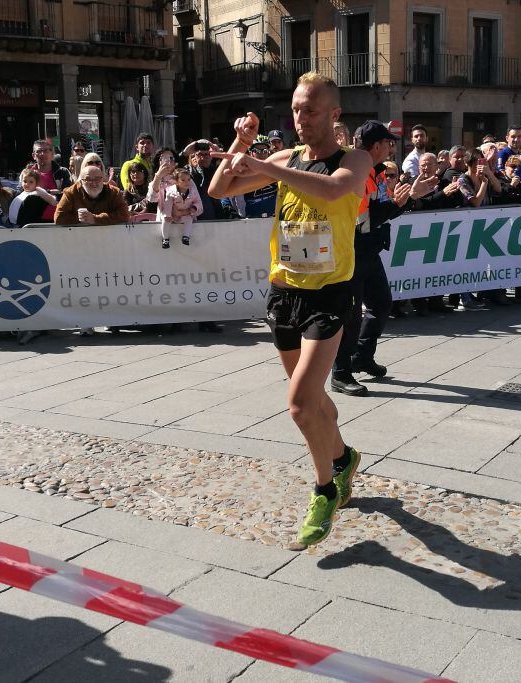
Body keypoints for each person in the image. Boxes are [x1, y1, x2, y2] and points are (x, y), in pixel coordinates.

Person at [208, 72, 371, 550]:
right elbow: (220, 189)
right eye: (297, 109)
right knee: (316, 401)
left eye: (311, 110)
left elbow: (332, 190)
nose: (301, 119)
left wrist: (266, 165)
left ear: (334, 114)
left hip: (329, 294)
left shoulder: (354, 158)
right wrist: (241, 142)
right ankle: (343, 458)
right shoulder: (284, 157)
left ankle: (325, 491)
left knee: (301, 403)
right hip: (284, 293)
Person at [332, 120, 420, 396]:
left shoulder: (378, 172)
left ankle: (362, 357)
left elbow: (382, 209)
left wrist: (408, 199)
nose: (391, 147)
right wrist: (397, 204)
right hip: (353, 249)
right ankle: (340, 372)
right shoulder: (359, 173)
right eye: (387, 142)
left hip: (370, 249)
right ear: (376, 146)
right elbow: (363, 221)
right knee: (350, 314)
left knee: (381, 303)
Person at [54, 166, 130, 226]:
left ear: (103, 179)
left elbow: (124, 214)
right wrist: (82, 218)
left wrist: (95, 219)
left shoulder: (114, 192)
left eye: (97, 179)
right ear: (81, 181)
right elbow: (59, 218)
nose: (94, 183)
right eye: (88, 179)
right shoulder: (70, 193)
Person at [149, 162, 202, 249]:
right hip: (171, 215)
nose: (187, 182)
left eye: (189, 179)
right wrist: (168, 215)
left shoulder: (192, 190)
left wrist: (192, 209)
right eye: (183, 180)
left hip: (185, 215)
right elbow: (168, 203)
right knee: (166, 221)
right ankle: (165, 238)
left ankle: (186, 236)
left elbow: (199, 203)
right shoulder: (171, 191)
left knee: (189, 219)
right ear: (176, 182)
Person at [24, 139, 73, 222]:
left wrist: (41, 192)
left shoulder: (63, 172)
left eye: (46, 150)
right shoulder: (27, 173)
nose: (43, 154)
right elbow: (24, 194)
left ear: (52, 154)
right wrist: (51, 192)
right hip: (34, 222)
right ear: (33, 155)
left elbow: (68, 195)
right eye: (39, 151)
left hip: (60, 220)